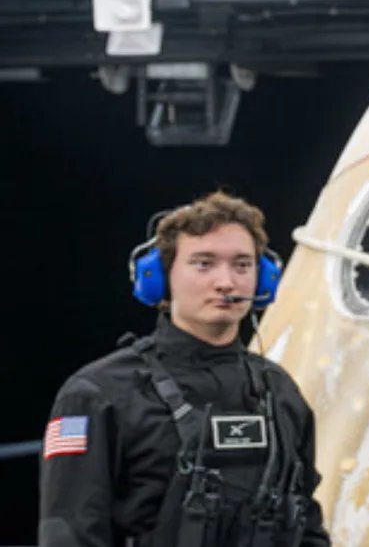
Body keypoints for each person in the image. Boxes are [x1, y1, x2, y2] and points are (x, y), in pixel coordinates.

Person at [39, 191, 330, 547]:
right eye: (204, 264)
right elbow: (69, 534)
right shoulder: (98, 394)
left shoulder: (281, 392)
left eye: (242, 265)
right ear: (160, 278)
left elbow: (309, 529)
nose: (226, 282)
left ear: (263, 279)